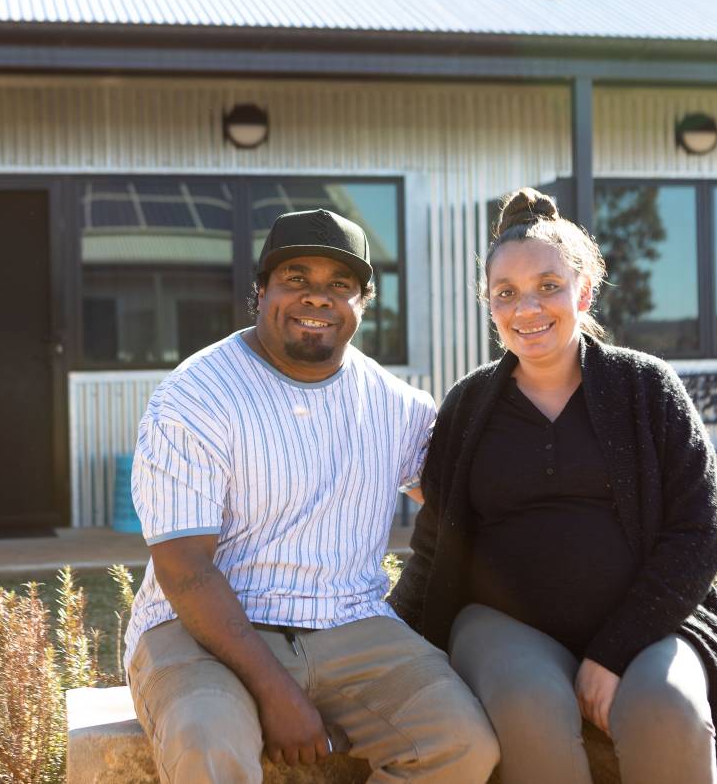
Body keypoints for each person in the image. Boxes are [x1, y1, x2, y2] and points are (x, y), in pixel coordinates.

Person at [123, 208, 499, 784]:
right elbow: (184, 569)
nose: (317, 298)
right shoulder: (195, 398)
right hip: (205, 630)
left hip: (350, 623)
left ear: (362, 304)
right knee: (207, 748)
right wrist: (276, 693)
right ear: (261, 292)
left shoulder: (394, 405)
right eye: (296, 279)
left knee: (460, 743)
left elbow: (470, 505)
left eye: (339, 285)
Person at [390, 189, 717, 784]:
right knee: (529, 709)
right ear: (491, 306)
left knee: (670, 711)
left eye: (548, 285)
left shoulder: (646, 389)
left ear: (582, 292)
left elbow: (698, 534)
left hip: (646, 623)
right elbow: (433, 549)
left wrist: (612, 651)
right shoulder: (470, 404)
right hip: (502, 627)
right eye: (506, 293)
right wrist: (388, 645)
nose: (527, 307)